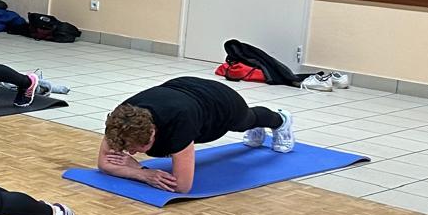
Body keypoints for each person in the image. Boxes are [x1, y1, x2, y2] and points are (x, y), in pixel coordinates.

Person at [99, 77, 294, 194]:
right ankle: (259, 126)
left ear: (153, 132)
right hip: (179, 90)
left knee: (246, 121)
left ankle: (281, 120)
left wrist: (135, 170)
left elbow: (182, 186)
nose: (130, 152)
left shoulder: (179, 123)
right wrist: (141, 172)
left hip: (220, 102)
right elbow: (104, 164)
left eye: (136, 148)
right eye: (128, 148)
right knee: (154, 148)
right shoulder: (120, 121)